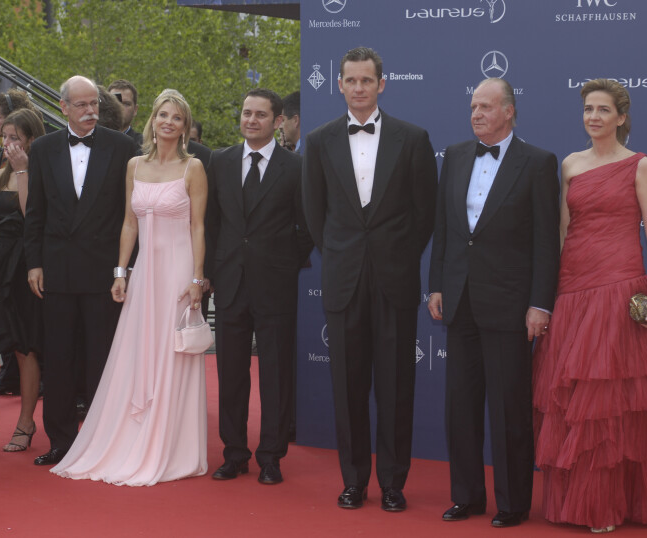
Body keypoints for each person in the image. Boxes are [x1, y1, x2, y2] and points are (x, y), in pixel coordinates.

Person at [532, 78, 647, 534]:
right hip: (574, 288)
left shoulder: (640, 166)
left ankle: (608, 505)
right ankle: (582, 501)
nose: (593, 117)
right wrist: (551, 294)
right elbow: (562, 230)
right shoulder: (571, 165)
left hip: (619, 287)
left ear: (621, 118)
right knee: (576, 404)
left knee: (611, 405)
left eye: (603, 110)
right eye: (587, 110)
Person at [302, 47, 438, 512]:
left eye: (367, 80)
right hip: (343, 280)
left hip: (395, 280)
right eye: (350, 80)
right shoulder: (318, 141)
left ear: (382, 84)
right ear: (338, 84)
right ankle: (354, 481)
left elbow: (425, 215)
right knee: (348, 387)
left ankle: (394, 484)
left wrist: (395, 255)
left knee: (397, 387)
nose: (358, 88)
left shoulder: (413, 138)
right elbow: (314, 214)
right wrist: (343, 254)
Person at [51, 89, 209, 485]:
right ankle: (133, 434)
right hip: (144, 273)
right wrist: (120, 272)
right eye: (162, 115)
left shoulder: (194, 168)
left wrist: (197, 280)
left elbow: (198, 226)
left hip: (177, 271)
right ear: (151, 121)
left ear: (184, 126)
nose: (168, 122)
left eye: (176, 117)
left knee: (171, 356)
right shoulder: (134, 165)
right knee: (137, 351)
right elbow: (129, 223)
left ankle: (170, 444)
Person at [427, 77, 560, 527]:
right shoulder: (457, 156)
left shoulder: (538, 163)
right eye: (472, 107)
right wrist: (437, 285)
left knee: (509, 410)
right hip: (460, 298)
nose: (476, 114)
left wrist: (541, 303)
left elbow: (546, 242)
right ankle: (466, 496)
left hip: (509, 304)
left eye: (486, 106)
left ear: (509, 111)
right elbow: (444, 229)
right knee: (460, 407)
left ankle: (513, 503)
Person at [24, 75, 136, 467]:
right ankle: (60, 441)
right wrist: (34, 262)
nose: (91, 111)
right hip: (56, 270)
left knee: (102, 358)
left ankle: (104, 439)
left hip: (104, 272)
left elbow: (130, 214)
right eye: (83, 105)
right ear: (64, 108)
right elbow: (35, 211)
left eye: (95, 105)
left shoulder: (123, 147)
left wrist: (124, 268)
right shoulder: (42, 148)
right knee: (57, 357)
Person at [206, 88, 312, 486]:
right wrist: (212, 271)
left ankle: (271, 456)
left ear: (278, 120)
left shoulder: (295, 166)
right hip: (230, 284)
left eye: (261, 115)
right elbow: (213, 223)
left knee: (275, 376)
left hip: (275, 286)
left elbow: (308, 226)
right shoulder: (220, 161)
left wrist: (285, 262)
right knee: (231, 374)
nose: (251, 120)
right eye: (246, 113)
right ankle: (234, 454)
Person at [0, 109, 45, 453]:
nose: (7, 143)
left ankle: (26, 421)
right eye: (5, 137)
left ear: (31, 139)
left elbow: (32, 215)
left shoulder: (40, 173)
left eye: (15, 137)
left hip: (27, 266)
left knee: (24, 346)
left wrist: (22, 170)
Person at [108, 79, 143, 147]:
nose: (120, 108)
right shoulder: (93, 139)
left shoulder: (144, 145)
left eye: (126, 104)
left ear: (135, 110)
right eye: (116, 103)